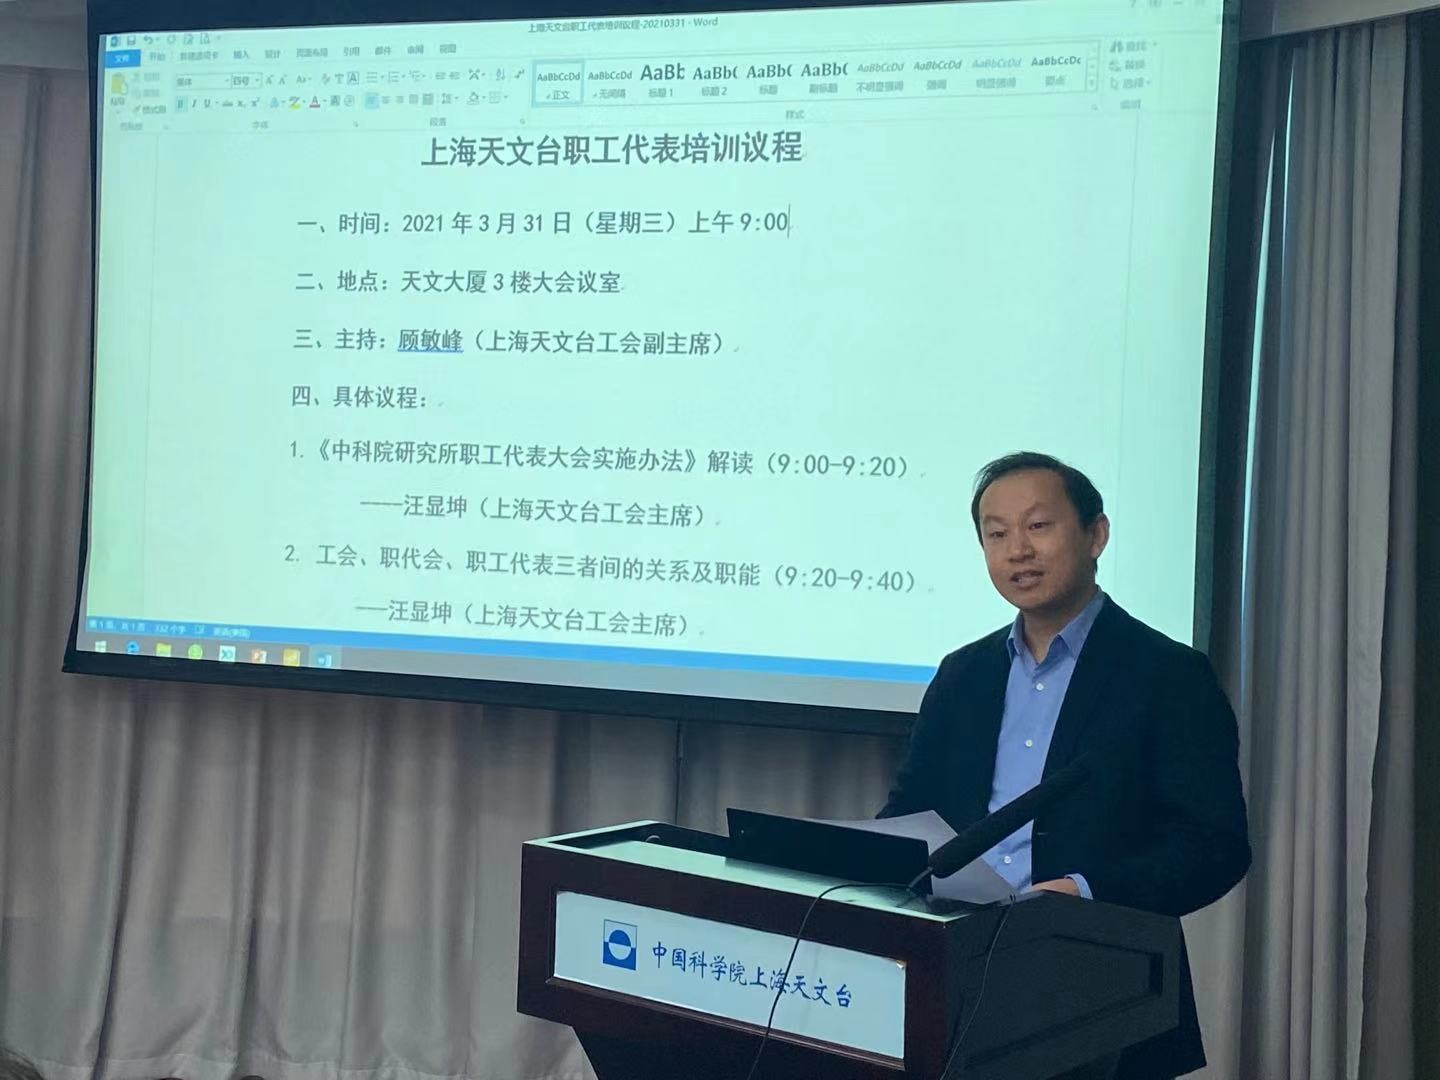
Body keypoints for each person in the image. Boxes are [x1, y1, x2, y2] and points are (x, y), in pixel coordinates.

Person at [881, 451, 1250, 1080]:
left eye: (1038, 526)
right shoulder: (963, 673)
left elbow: (1213, 846)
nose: (1018, 551)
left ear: (1096, 534)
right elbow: (910, 811)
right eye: (997, 534)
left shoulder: (1168, 675)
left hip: (1097, 977)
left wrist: (1082, 890)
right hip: (953, 960)